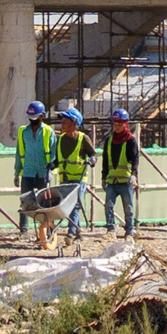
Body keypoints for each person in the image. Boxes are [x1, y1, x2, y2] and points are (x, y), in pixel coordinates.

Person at [49, 104, 96, 243]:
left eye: (66, 121)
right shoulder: (60, 139)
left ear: (74, 123)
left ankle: (70, 233)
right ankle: (78, 233)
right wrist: (51, 165)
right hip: (65, 179)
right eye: (62, 121)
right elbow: (58, 160)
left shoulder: (83, 138)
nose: (62, 123)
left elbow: (93, 154)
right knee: (69, 206)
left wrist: (92, 160)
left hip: (79, 179)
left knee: (74, 205)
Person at [9, 100, 57, 230]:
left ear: (42, 116)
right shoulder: (23, 132)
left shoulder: (48, 132)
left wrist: (51, 171)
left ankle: (48, 229)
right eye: (30, 118)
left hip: (43, 172)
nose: (32, 120)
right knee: (25, 202)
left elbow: (54, 154)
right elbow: (19, 153)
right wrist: (16, 173)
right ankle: (23, 229)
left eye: (35, 118)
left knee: (45, 203)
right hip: (28, 172)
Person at [100, 107, 140, 238]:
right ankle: (110, 229)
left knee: (128, 207)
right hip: (112, 180)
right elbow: (105, 160)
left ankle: (130, 230)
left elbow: (135, 159)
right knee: (108, 205)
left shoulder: (130, 141)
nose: (117, 127)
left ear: (125, 124)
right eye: (115, 124)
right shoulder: (109, 141)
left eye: (120, 124)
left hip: (126, 181)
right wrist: (103, 177)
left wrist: (134, 174)